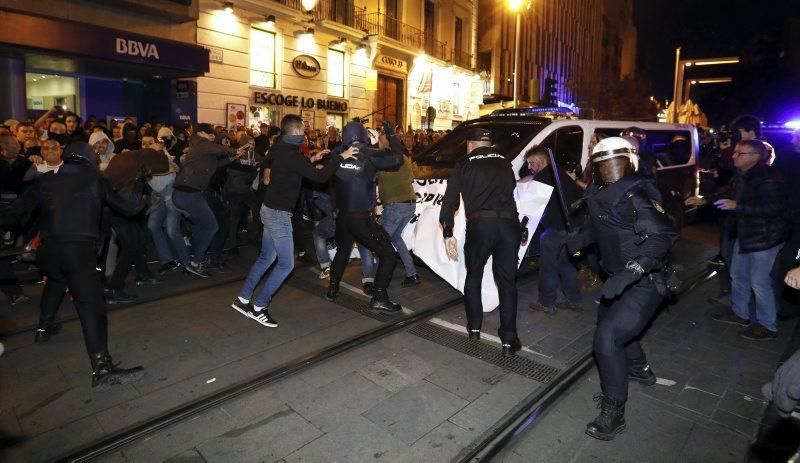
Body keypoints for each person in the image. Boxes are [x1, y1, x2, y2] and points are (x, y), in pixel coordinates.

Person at [2, 142, 146, 389]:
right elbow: (130, 208)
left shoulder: (45, 180)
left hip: (48, 251)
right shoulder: (95, 180)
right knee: (91, 306)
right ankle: (102, 367)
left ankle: (44, 328)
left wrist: (8, 230)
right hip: (78, 251)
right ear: (89, 159)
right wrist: (139, 186)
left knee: (56, 281)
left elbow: (15, 212)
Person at [567, 136, 678, 441]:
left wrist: (633, 269)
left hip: (643, 281)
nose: (610, 172)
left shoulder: (636, 195)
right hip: (617, 280)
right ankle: (640, 368)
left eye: (615, 164)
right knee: (617, 331)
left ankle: (614, 412)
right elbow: (605, 224)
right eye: (603, 166)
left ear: (630, 163)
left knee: (607, 337)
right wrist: (581, 238)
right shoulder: (601, 192)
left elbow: (663, 236)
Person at [232, 115, 356, 327]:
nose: (305, 135)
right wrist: (339, 157)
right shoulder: (291, 154)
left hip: (268, 209)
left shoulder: (280, 147)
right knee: (287, 264)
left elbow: (293, 167)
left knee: (266, 257)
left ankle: (243, 299)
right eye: (303, 130)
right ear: (297, 131)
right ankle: (259, 306)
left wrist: (313, 160)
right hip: (278, 214)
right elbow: (320, 178)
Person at [439, 127, 522, 357]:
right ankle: (508, 339)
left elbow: (451, 200)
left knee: (473, 276)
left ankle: (474, 328)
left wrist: (448, 230)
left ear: (470, 145)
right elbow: (512, 190)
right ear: (489, 144)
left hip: (480, 225)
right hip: (508, 226)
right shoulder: (506, 162)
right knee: (507, 283)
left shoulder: (465, 163)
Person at [325, 119, 405, 313]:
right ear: (363, 136)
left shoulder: (337, 155)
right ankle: (379, 297)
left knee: (343, 252)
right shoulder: (370, 155)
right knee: (388, 254)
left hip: (343, 216)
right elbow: (398, 159)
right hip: (361, 217)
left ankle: (333, 287)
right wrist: (390, 134)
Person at [711, 139, 787, 340]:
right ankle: (739, 313)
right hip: (745, 234)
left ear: (755, 157)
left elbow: (774, 209)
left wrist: (738, 206)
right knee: (738, 274)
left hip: (765, 237)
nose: (734, 156)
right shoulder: (741, 174)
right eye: (735, 152)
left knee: (759, 281)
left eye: (740, 153)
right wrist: (708, 198)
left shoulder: (769, 177)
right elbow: (729, 194)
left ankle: (768, 326)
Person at [172, 123, 251, 278]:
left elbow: (217, 164)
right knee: (211, 226)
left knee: (204, 227)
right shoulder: (199, 142)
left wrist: (234, 156)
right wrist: (235, 150)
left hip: (191, 193)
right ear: (202, 133)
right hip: (187, 193)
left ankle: (193, 259)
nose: (213, 138)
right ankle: (196, 261)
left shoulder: (203, 149)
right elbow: (219, 149)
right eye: (211, 135)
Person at [521, 146, 583, 314]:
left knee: (548, 265)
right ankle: (574, 300)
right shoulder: (558, 174)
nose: (530, 167)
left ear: (542, 161)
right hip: (571, 227)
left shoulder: (543, 177)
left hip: (555, 228)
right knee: (566, 264)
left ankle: (547, 303)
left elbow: (529, 203)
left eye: (532, 163)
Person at [376, 129, 421, 288]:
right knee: (395, 238)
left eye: (379, 139)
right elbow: (410, 178)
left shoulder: (380, 158)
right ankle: (412, 273)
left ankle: (380, 280)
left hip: (395, 206)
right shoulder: (402, 157)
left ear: (383, 141)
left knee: (381, 240)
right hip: (409, 204)